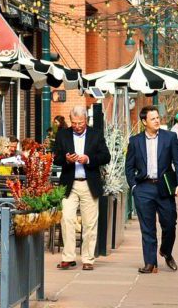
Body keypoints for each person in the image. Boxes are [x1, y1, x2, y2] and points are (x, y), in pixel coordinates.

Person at [125, 105, 178, 274]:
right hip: (144, 187)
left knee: (169, 224)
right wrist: (134, 186)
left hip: (165, 187)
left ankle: (166, 251)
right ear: (144, 122)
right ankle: (150, 263)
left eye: (158, 117)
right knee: (147, 227)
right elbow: (129, 167)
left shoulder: (170, 137)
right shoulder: (135, 141)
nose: (157, 121)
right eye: (153, 118)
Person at [52, 105, 111, 271]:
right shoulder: (63, 134)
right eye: (75, 123)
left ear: (86, 120)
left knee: (89, 223)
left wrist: (88, 159)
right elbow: (55, 157)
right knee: (67, 219)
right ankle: (68, 257)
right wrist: (66, 159)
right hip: (69, 183)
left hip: (89, 183)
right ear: (70, 121)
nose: (77, 126)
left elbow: (106, 156)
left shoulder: (96, 134)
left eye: (81, 123)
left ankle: (87, 259)